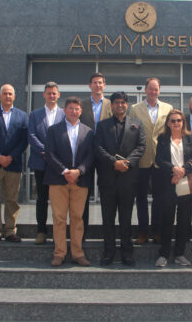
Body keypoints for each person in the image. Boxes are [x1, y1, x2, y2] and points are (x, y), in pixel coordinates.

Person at [94, 92, 146, 266]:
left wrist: (128, 163)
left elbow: (141, 147)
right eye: (116, 102)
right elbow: (98, 148)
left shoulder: (137, 124)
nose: (120, 105)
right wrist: (114, 163)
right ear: (111, 105)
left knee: (126, 217)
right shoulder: (102, 126)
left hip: (128, 179)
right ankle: (108, 252)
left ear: (127, 104)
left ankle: (127, 252)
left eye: (123, 102)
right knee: (107, 218)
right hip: (108, 179)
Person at [44, 97, 94, 267]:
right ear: (64, 110)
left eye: (77, 109)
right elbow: (49, 153)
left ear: (81, 111)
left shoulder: (88, 131)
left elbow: (91, 156)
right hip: (58, 179)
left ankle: (77, 253)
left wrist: (78, 171)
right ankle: (59, 253)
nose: (73, 111)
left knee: (77, 218)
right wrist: (65, 171)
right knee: (59, 218)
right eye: (70, 108)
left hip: (80, 180)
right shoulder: (53, 130)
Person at [0, 84, 28, 244]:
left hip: (13, 165)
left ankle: (10, 230)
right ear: (0, 96)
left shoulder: (22, 116)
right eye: (5, 94)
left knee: (12, 200)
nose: (8, 96)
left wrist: (11, 157)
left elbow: (24, 141)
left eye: (10, 94)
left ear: (14, 97)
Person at [129, 77, 173, 244]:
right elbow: (132, 133)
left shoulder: (168, 108)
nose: (153, 92)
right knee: (140, 197)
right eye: (150, 89)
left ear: (159, 91)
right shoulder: (135, 108)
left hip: (161, 160)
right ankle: (142, 232)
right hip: (141, 159)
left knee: (159, 198)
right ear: (145, 90)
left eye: (156, 89)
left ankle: (157, 230)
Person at [154, 109, 192, 267]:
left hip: (185, 182)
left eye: (179, 120)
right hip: (168, 184)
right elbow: (159, 159)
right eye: (172, 120)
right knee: (167, 219)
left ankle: (179, 253)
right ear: (168, 123)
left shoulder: (190, 138)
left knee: (184, 220)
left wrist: (182, 172)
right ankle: (164, 254)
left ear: (183, 122)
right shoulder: (163, 138)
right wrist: (173, 169)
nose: (176, 123)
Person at [27, 82, 64, 245]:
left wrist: (53, 155)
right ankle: (41, 231)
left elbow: (66, 136)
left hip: (58, 164)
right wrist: (46, 151)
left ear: (58, 95)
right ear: (44, 95)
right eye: (48, 93)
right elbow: (31, 135)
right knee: (42, 198)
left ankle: (59, 232)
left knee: (59, 201)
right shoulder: (35, 115)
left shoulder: (64, 114)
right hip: (41, 162)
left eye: (54, 93)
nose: (51, 96)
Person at [79, 72, 112, 241]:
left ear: (104, 85)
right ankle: (82, 232)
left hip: (106, 154)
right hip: (87, 153)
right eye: (94, 82)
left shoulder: (111, 104)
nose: (98, 85)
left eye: (100, 82)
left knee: (107, 193)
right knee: (84, 193)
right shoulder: (82, 105)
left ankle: (108, 232)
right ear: (89, 85)